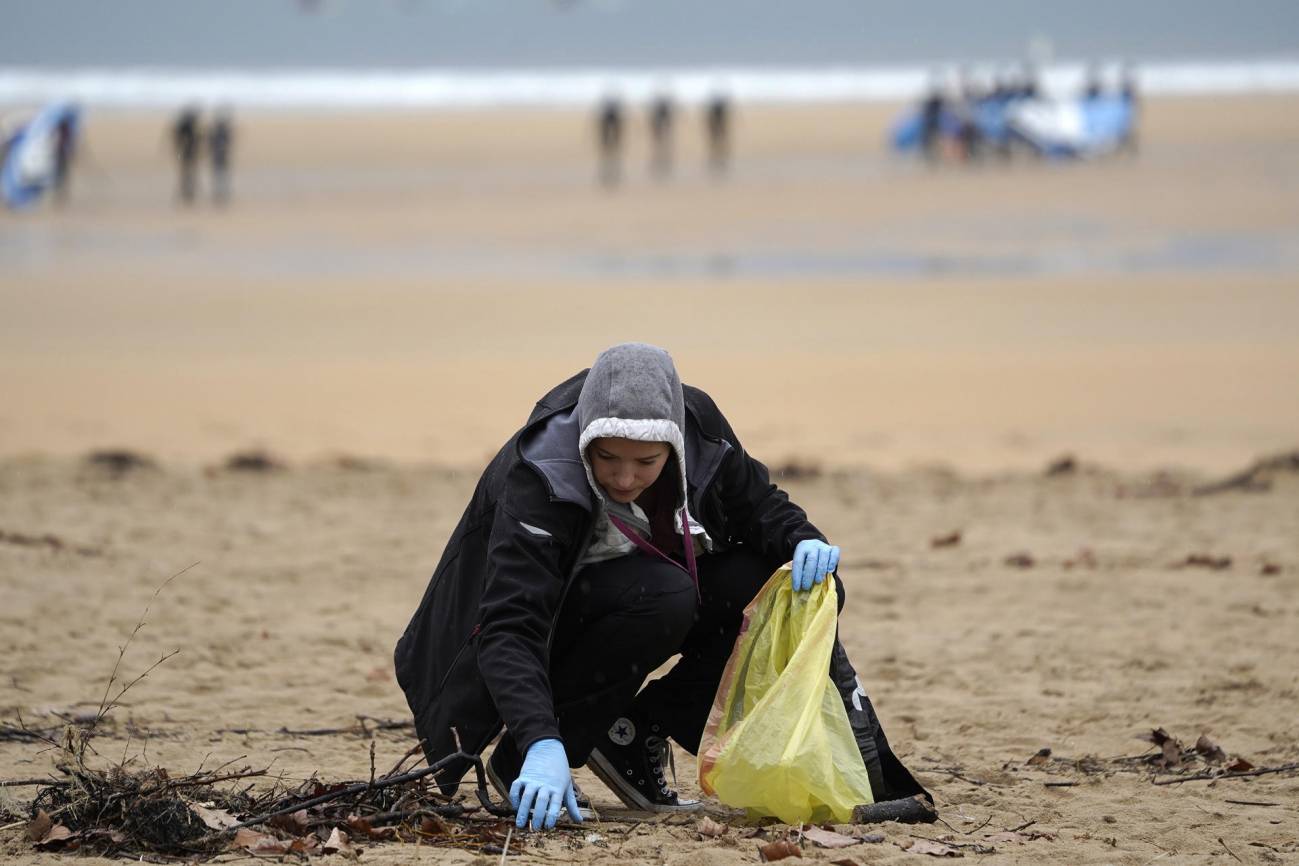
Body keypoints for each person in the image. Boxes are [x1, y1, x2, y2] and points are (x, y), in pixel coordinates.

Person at [394, 343, 927, 831]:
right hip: (537, 638)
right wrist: (540, 741)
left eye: (645, 463)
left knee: (770, 582)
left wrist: (805, 541)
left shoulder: (701, 432)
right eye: (606, 458)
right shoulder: (539, 474)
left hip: (635, 598)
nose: (625, 479)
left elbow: (761, 507)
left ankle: (631, 730)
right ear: (585, 440)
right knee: (665, 593)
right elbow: (510, 626)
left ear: (672, 444)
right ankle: (525, 759)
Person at [171, 106, 202, 204]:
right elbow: (181, 141)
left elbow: (177, 140)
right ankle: (187, 193)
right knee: (188, 174)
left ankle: (188, 193)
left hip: (188, 153)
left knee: (188, 174)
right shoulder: (187, 128)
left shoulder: (186, 127)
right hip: (187, 153)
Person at [595, 96, 624, 188]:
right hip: (609, 121)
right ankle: (610, 162)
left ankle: (610, 162)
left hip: (610, 121)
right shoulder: (610, 111)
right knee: (609, 145)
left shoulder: (609, 111)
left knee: (609, 145)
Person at [208, 109, 234, 205]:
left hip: (220, 157)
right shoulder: (218, 132)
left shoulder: (220, 132)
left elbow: (227, 143)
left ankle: (222, 193)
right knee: (220, 176)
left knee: (221, 176)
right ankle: (220, 194)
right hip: (219, 157)